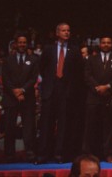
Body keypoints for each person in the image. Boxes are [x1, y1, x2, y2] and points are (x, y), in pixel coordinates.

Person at [36, 23, 84, 164]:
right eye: (63, 30)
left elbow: (78, 72)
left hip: (67, 93)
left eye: (68, 30)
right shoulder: (48, 49)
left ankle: (60, 155)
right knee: (46, 125)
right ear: (57, 33)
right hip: (50, 91)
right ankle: (43, 155)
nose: (67, 33)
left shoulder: (75, 50)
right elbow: (42, 68)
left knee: (64, 125)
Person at [2, 33, 39, 163]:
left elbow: (33, 78)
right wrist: (15, 91)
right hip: (10, 97)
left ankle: (30, 154)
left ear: (27, 44)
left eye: (24, 42)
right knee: (9, 127)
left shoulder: (34, 59)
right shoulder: (7, 60)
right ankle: (9, 155)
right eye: (20, 42)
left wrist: (22, 90)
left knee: (29, 128)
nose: (22, 45)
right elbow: (5, 79)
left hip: (27, 97)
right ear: (15, 44)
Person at [82, 36, 112, 163]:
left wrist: (107, 87)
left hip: (108, 96)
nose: (106, 44)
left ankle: (108, 153)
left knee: (108, 128)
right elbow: (87, 76)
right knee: (90, 127)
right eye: (103, 42)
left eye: (109, 42)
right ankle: (88, 154)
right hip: (93, 97)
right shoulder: (91, 59)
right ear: (100, 44)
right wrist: (97, 88)